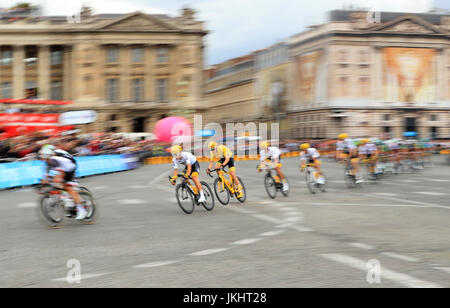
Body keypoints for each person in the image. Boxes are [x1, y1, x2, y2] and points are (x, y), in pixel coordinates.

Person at [39, 144, 87, 220]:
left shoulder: (57, 158)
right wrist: (43, 183)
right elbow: (47, 175)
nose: (45, 159)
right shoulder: (49, 159)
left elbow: (60, 172)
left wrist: (56, 179)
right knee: (56, 184)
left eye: (46, 158)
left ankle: (82, 210)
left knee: (67, 186)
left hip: (70, 167)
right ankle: (68, 203)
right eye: (44, 158)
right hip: (61, 166)